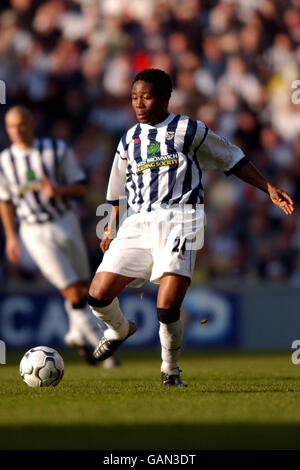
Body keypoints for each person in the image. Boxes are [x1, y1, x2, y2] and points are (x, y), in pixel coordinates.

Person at [87, 68, 294, 386]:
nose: (139, 104)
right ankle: (119, 329)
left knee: (167, 305)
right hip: (138, 221)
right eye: (134, 98)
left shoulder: (189, 130)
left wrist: (268, 188)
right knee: (97, 295)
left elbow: (231, 158)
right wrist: (109, 225)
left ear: (165, 98)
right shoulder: (129, 138)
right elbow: (116, 192)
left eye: (146, 96)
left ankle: (170, 370)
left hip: (182, 218)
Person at [0, 106, 119, 368]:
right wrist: (10, 237)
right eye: (11, 126)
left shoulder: (56, 150)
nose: (17, 130)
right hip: (34, 231)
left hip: (66, 222)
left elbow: (80, 185)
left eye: (21, 124)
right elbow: (5, 201)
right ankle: (101, 349)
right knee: (72, 291)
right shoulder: (5, 161)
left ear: (31, 123)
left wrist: (58, 190)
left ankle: (76, 333)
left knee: (82, 286)